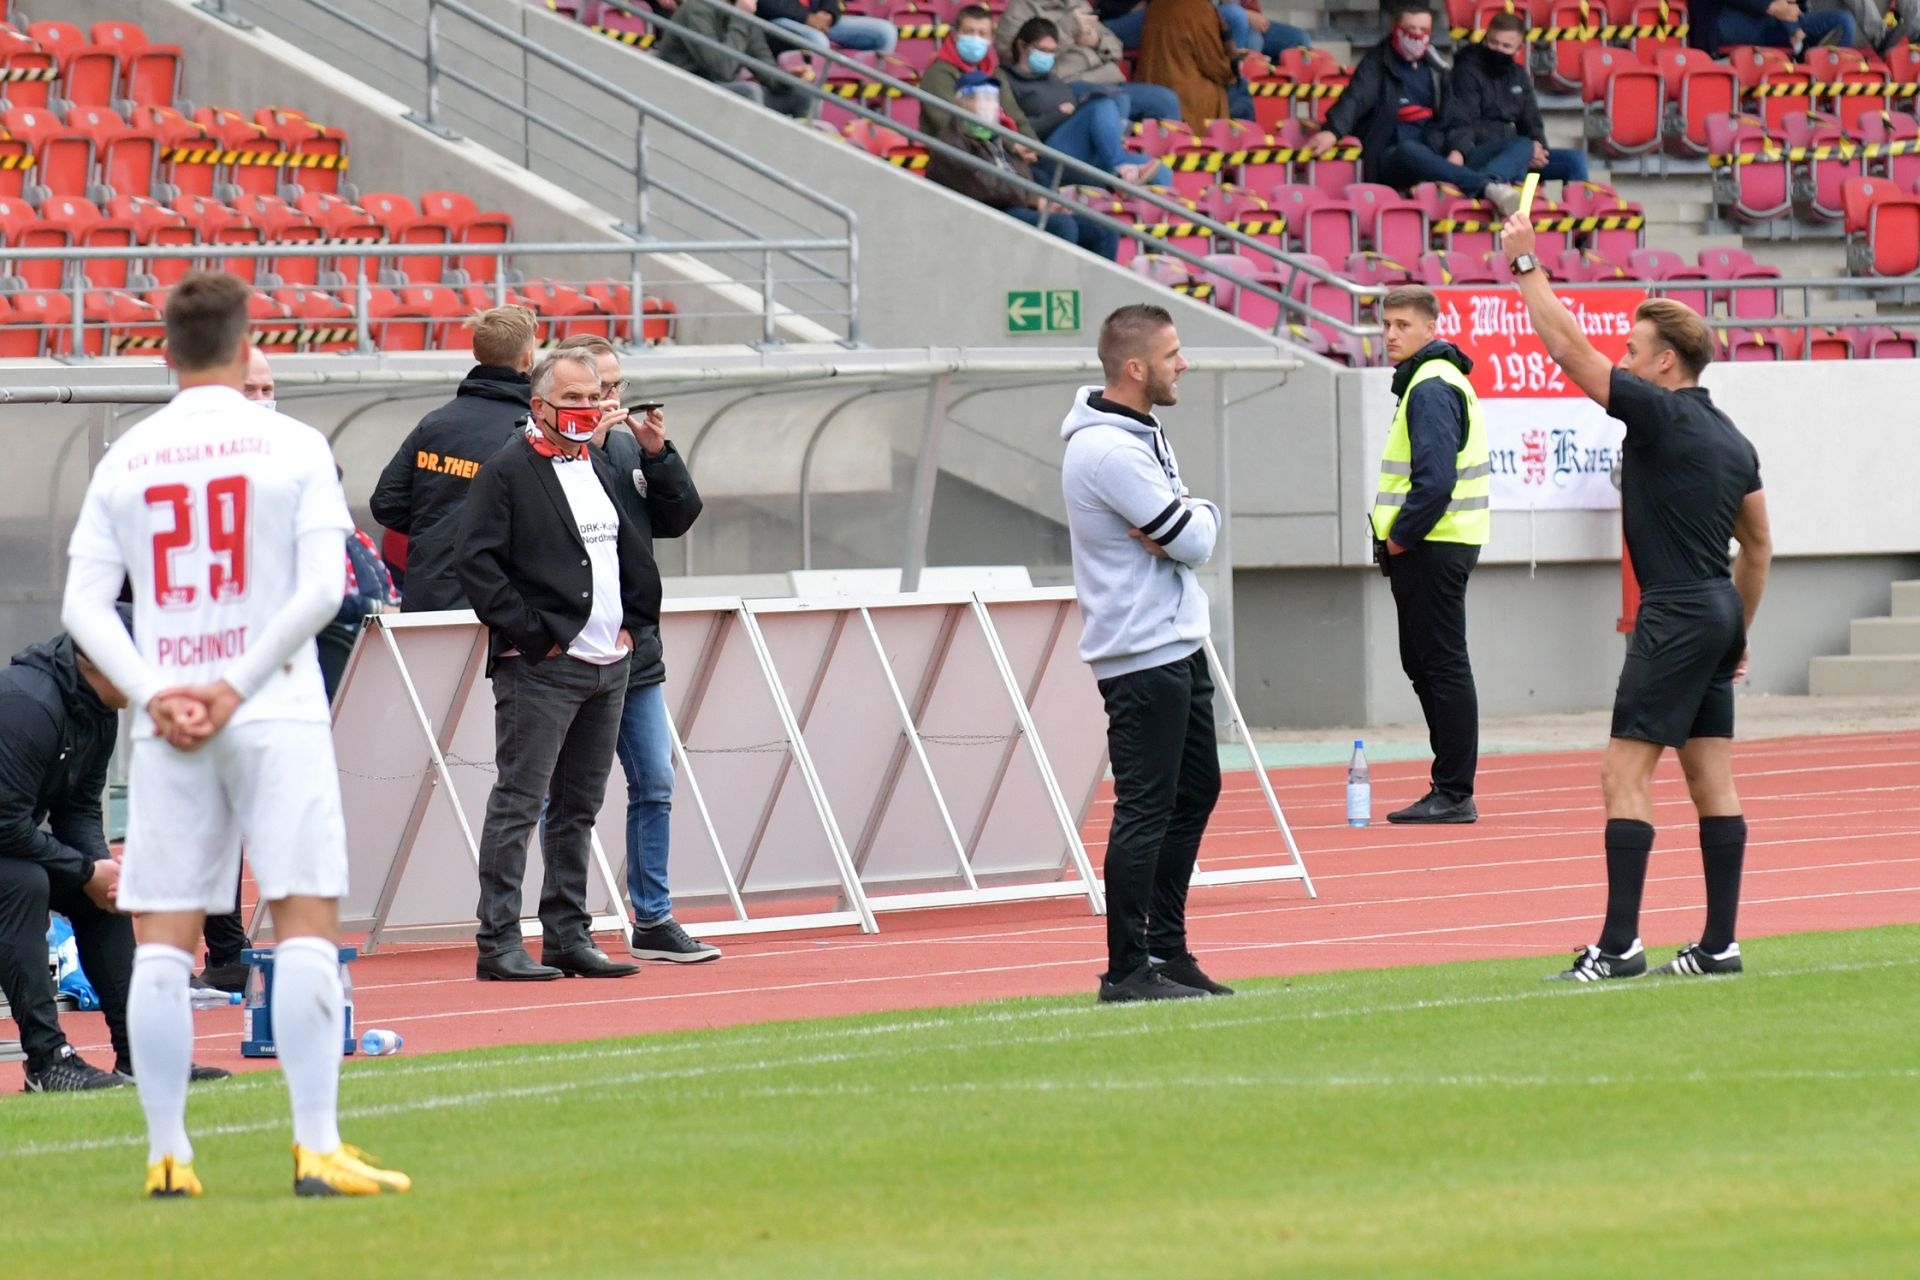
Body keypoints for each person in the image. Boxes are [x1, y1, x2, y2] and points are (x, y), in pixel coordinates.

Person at [61, 271, 408, 1197]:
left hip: (169, 719)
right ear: (246, 338)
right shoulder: (291, 443)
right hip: (273, 703)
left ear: (164, 350)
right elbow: (326, 590)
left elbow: (83, 607)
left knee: (165, 937)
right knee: (301, 916)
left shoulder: (127, 456)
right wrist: (234, 684)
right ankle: (315, 1144)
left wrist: (153, 691)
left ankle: (169, 1156)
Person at [1499, 212, 1771, 983]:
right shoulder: (1732, 438)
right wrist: (1738, 632)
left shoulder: (1659, 412)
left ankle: (1619, 945)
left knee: (1623, 774)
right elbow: (1759, 547)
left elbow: (1566, 350)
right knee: (1709, 776)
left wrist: (1527, 267)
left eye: (1632, 351)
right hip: (1716, 609)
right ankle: (1719, 945)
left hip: (1679, 611)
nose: (1623, 360)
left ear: (1667, 364)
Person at [455, 351, 662, 984]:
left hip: (610, 662)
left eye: (595, 396)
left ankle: (568, 935)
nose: (587, 408)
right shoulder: (507, 471)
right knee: (519, 803)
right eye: (573, 398)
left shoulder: (598, 461)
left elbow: (633, 544)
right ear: (538, 405)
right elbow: (477, 564)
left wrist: (631, 624)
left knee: (579, 807)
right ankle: (498, 942)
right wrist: (536, 636)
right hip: (544, 667)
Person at [1060, 303, 1230, 1003]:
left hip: (1174, 642)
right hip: (1140, 651)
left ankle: (1167, 949)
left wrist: (1199, 516)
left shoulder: (1136, 431)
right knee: (1146, 807)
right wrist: (1196, 521)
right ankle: (1127, 968)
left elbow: (1195, 525)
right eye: (1171, 354)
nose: (1182, 364)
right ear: (1135, 368)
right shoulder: (1107, 451)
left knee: (1196, 791)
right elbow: (1192, 541)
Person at [552, 336, 719, 964]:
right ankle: (565, 923)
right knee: (566, 794)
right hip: (569, 649)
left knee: (654, 779)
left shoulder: (626, 446)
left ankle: (652, 917)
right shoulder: (549, 454)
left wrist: (660, 455)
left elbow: (678, 519)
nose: (616, 400)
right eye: (603, 389)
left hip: (634, 645)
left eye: (618, 387)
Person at [1370, 286, 1488, 824]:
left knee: (1440, 663)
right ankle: (1450, 784)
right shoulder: (1428, 381)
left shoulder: (1431, 386)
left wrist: (1399, 538)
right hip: (1436, 543)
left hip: (1432, 544)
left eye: (1402, 325)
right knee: (1424, 663)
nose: (1391, 334)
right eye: (1386, 324)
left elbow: (1435, 481)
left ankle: (1454, 790)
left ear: (1429, 328)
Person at [0, 623, 133, 1091]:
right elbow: (6, 823)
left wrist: (102, 873)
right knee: (22, 882)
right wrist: (84, 870)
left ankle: (141, 1055)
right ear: (96, 659)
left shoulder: (100, 710)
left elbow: (77, 809)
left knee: (106, 893)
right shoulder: (28, 705)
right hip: (4, 838)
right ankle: (46, 1060)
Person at [371, 305, 538, 614]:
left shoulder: (435, 423)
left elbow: (386, 503)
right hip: (501, 603)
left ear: (476, 353)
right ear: (528, 358)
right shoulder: (533, 430)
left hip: (428, 597)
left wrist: (437, 531)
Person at [1306, 1, 1520, 215]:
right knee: (1410, 150)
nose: (1417, 35)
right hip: (1393, 154)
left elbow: (1455, 117)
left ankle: (1494, 184)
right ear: (1396, 28)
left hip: (1436, 150)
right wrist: (1333, 130)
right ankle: (1488, 187)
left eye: (1423, 30)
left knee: (1523, 146)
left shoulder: (1437, 69)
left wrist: (1458, 149)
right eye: (1411, 29)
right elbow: (1355, 98)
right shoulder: (1377, 63)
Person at [928, 73, 1122, 259]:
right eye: (982, 98)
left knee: (1105, 229)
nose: (990, 105)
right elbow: (984, 186)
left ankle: (1095, 291)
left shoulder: (998, 136)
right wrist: (1033, 199)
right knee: (1062, 226)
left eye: (993, 99)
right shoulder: (951, 143)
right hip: (988, 212)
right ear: (960, 102)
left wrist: (1040, 199)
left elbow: (1023, 173)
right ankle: (1056, 285)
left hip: (1015, 203)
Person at [1003, 19, 1167, 186]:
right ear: (1022, 46)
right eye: (1042, 50)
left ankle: (1124, 175)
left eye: (1052, 52)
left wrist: (1109, 134)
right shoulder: (1008, 81)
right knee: (1101, 106)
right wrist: (1057, 115)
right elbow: (1016, 128)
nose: (1047, 56)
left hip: (1082, 150)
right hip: (1047, 154)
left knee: (1161, 171)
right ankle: (1120, 168)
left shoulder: (1051, 78)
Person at [1438, 14, 1589, 188]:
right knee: (1522, 149)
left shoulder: (1518, 75)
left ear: (1519, 50)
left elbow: (1532, 122)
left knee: (1575, 161)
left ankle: (1576, 212)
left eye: (1506, 46)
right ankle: (1491, 187)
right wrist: (1523, 149)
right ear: (1485, 39)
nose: (1498, 50)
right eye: (1493, 42)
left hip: (1518, 152)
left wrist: (1539, 151)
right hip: (1478, 153)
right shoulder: (1466, 71)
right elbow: (1462, 120)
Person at [992, 0, 1186, 119]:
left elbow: (1115, 47)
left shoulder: (1078, 4)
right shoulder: (1021, 8)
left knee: (1167, 100)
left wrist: (1096, 40)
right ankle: (1120, 171)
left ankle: (1158, 166)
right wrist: (1067, 30)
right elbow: (1011, 54)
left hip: (1108, 79)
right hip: (1066, 84)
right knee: (1115, 100)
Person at [658, 0, 816, 118]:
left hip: (717, 92)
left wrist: (789, 78)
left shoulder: (742, 18)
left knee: (803, 95)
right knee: (748, 92)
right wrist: (740, 16)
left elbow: (766, 71)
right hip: (683, 91)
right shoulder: (697, 9)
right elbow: (723, 69)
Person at [920, 7, 1045, 140]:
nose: (975, 38)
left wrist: (1031, 144)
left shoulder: (994, 72)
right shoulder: (938, 73)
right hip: (952, 152)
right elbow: (950, 124)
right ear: (956, 35)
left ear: (991, 39)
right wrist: (1012, 145)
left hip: (992, 148)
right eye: (969, 32)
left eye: (982, 33)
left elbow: (1013, 113)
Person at [1134, 0, 1239, 126]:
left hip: (1151, 87)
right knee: (1241, 91)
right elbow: (1218, 68)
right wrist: (1235, 64)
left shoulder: (1155, 4)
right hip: (1188, 102)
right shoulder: (1199, 8)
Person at [1100, 0, 1311, 60]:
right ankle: (1235, 90)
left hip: (1224, 16)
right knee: (1250, 38)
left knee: (1298, 39)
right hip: (1124, 20)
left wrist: (1247, 11)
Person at [1689, 0, 1857, 55]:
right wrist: (1771, 7)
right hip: (1724, 22)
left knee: (1843, 21)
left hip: (1772, 23)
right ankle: (1797, 39)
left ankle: (1830, 79)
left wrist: (1793, 7)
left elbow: (1796, 6)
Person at [761, 0, 898, 54]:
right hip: (777, 20)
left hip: (819, 19)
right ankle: (810, 103)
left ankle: (873, 98)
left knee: (885, 32)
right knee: (818, 41)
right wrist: (807, 17)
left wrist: (829, 13)